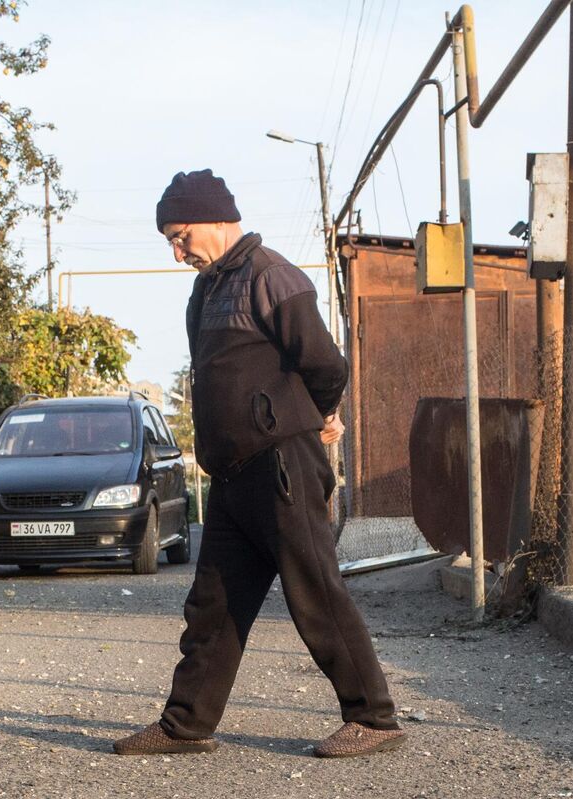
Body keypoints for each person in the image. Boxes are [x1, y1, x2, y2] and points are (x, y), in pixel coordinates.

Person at [113, 170, 404, 759]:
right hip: (232, 475)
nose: (177, 251)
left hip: (281, 465)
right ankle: (185, 725)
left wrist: (311, 418)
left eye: (181, 235)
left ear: (216, 218)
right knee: (213, 604)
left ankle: (373, 718)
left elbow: (325, 365)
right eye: (170, 240)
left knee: (315, 591)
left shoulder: (271, 275)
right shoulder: (206, 290)